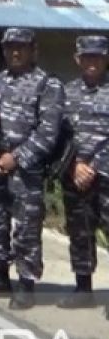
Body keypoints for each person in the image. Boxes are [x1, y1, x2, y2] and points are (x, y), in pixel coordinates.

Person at [0, 28, 63, 310]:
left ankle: (26, 283)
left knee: (26, 228)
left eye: (22, 47)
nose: (15, 52)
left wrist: (17, 158)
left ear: (33, 50)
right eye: (10, 47)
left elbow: (48, 132)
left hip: (26, 171)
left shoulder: (47, 85)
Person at [57, 35, 109, 312]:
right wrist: (76, 164)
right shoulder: (67, 92)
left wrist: (95, 165)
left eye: (98, 56)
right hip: (76, 175)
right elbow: (60, 135)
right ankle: (83, 288)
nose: (92, 61)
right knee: (80, 233)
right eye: (87, 56)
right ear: (77, 59)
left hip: (106, 175)